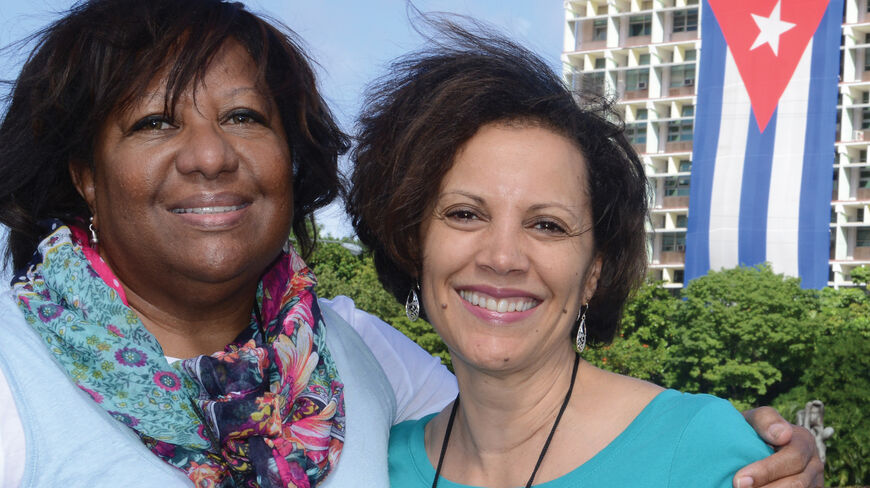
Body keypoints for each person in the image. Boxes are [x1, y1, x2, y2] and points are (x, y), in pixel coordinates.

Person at [0, 1, 819, 486]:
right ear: (83, 173)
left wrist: (755, 447)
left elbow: (521, 414)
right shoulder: (13, 375)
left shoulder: (358, 360)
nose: (210, 155)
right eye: (153, 122)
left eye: (246, 117)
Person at [346, 22, 823, 488]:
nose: (503, 256)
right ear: (413, 244)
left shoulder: (703, 449)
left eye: (547, 225)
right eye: (466, 214)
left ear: (593, 273)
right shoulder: (371, 467)